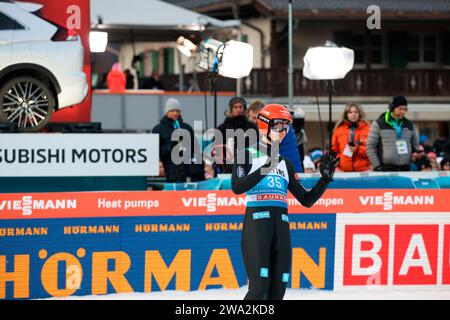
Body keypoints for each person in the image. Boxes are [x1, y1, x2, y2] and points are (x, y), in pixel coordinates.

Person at [231, 104, 339, 300]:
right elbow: (237, 187)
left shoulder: (284, 163)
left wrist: (324, 180)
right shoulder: (246, 154)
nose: (283, 132)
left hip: (281, 228)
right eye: (278, 126)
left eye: (286, 127)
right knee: (259, 288)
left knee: (277, 291)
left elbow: (306, 200)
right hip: (257, 225)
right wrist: (266, 167)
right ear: (264, 125)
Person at [152, 98, 204, 182]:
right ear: (167, 112)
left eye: (177, 110)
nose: (175, 113)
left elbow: (195, 149)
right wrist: (172, 145)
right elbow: (157, 152)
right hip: (169, 171)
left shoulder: (187, 128)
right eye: (172, 110)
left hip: (187, 171)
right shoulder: (158, 129)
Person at [246, 101, 303, 173]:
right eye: (251, 118)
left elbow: (262, 147)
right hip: (290, 169)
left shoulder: (278, 128)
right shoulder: (282, 124)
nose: (254, 122)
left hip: (286, 172)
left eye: (255, 118)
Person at [366, 96, 420, 172]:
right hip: (386, 170)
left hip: (406, 170)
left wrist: (419, 154)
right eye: (400, 109)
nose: (403, 112)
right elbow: (370, 147)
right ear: (392, 108)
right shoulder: (379, 124)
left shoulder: (410, 125)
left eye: (405, 109)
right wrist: (377, 167)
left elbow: (416, 147)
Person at [215, 97, 258, 174]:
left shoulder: (252, 127)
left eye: (241, 107)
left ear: (244, 109)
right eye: (235, 107)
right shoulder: (222, 128)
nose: (238, 109)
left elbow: (258, 146)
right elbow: (217, 149)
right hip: (228, 167)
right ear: (231, 109)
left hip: (250, 165)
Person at [332, 103, 371, 172]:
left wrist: (358, 149)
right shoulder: (338, 130)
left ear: (359, 114)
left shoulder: (368, 129)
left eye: (356, 112)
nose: (353, 114)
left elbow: (371, 150)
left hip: (364, 171)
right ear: (346, 114)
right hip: (343, 171)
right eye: (350, 112)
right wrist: (336, 166)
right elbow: (334, 151)